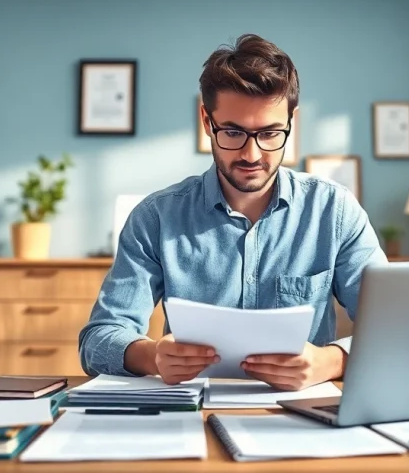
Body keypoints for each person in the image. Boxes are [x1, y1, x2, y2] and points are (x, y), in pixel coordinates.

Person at [78, 33, 387, 390]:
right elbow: (97, 341)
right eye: (233, 132)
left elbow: (395, 328)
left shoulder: (334, 211)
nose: (252, 155)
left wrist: (330, 362)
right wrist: (152, 356)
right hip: (189, 417)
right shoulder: (155, 218)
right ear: (206, 121)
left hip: (300, 419)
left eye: (270, 133)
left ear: (291, 121)